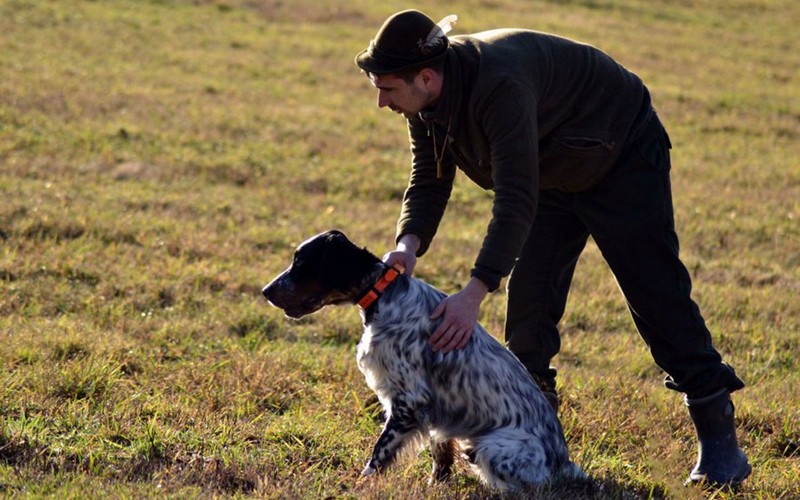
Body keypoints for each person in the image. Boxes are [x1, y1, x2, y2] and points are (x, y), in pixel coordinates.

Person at [354, 9, 750, 486]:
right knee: (530, 310)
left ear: (425, 76)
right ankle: (538, 451)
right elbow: (429, 178)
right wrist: (407, 244)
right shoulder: (425, 100)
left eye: (387, 89)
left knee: (656, 297)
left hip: (618, 152)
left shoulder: (499, 85)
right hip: (554, 169)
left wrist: (472, 295)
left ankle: (719, 441)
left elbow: (516, 198)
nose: (380, 102)